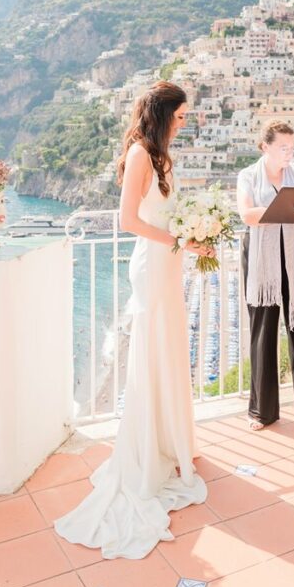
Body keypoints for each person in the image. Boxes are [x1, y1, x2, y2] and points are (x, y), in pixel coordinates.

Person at [54, 80, 211, 559]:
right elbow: (129, 221)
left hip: (170, 261)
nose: (185, 123)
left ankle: (170, 441)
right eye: (181, 116)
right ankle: (148, 450)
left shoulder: (165, 155)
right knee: (154, 352)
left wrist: (191, 233)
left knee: (168, 351)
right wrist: (179, 240)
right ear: (163, 115)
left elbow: (168, 215)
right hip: (153, 262)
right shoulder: (142, 154)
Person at [237, 120, 294, 431]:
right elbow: (246, 214)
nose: (289, 152)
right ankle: (263, 412)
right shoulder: (248, 176)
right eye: (283, 147)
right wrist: (285, 210)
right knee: (263, 334)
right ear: (265, 147)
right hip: (264, 263)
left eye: (292, 146)